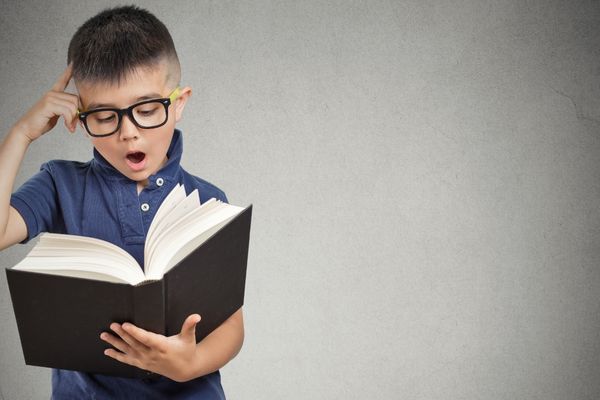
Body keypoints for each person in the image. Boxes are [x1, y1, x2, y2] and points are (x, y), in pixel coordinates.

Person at [0, 5, 243, 399]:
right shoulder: (58, 184)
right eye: (104, 117)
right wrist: (20, 134)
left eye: (147, 110)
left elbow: (231, 325)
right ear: (79, 117)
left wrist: (190, 365)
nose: (128, 134)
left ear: (178, 103)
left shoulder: (208, 200)